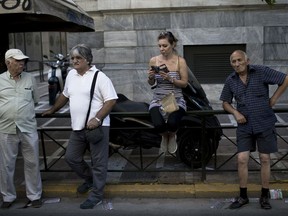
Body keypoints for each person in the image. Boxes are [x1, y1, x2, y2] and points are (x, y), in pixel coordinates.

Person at [42, 44, 118, 209]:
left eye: (78, 58)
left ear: (88, 59)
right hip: (77, 126)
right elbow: (65, 95)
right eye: (72, 58)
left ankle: (97, 195)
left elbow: (111, 100)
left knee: (99, 163)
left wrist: (97, 118)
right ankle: (90, 180)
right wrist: (53, 109)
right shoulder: (71, 75)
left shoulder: (100, 77)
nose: (74, 61)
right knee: (71, 158)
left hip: (97, 127)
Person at [220, 50, 288, 210]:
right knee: (242, 159)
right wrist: (235, 112)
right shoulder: (230, 80)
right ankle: (243, 196)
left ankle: (264, 196)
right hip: (244, 125)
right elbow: (225, 102)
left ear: (247, 60)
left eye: (239, 60)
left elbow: (285, 79)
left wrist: (274, 99)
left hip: (264, 122)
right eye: (233, 62)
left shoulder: (261, 71)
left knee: (265, 159)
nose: (236, 64)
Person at [0, 49, 42, 209]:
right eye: (17, 61)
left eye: (23, 61)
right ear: (8, 62)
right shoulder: (0, 80)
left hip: (28, 127)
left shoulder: (30, 78)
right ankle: (8, 197)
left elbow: (36, 101)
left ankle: (34, 195)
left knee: (32, 163)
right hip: (5, 128)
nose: (21, 64)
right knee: (6, 164)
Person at [147, 31, 188, 154]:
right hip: (158, 99)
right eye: (159, 46)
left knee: (172, 122)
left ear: (173, 45)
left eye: (165, 46)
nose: (161, 49)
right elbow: (151, 83)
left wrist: (171, 78)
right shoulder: (154, 60)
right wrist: (150, 77)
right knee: (158, 124)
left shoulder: (180, 61)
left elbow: (184, 83)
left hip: (176, 99)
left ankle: (172, 135)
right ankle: (165, 136)